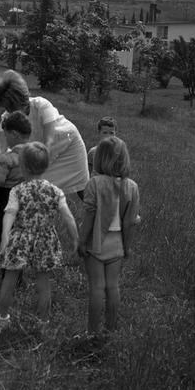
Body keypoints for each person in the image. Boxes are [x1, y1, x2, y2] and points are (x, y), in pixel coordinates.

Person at [0, 142, 78, 329]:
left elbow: (9, 213)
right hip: (45, 240)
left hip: (20, 238)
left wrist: (4, 236)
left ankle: (2, 318)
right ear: (47, 166)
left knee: (9, 280)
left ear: (23, 166)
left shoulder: (17, 190)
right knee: (43, 284)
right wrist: (75, 239)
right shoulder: (55, 191)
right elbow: (68, 216)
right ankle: (43, 322)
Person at [0, 70, 88, 197]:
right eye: (5, 108)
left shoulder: (41, 105)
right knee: (35, 191)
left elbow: (49, 141)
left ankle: (98, 213)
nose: (8, 111)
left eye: (10, 107)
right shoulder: (7, 118)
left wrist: (31, 167)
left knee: (82, 188)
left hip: (68, 145)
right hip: (41, 152)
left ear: (20, 100)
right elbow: (0, 148)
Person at [78, 136, 140, 335]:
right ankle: (110, 329)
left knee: (97, 287)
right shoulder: (132, 187)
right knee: (113, 286)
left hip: (96, 242)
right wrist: (127, 246)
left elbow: (89, 215)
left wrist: (81, 240)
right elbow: (130, 221)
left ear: (99, 159)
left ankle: (92, 331)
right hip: (117, 243)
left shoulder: (94, 183)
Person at [0, 111, 31, 255]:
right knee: (20, 234)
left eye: (5, 134)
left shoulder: (8, 158)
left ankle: (5, 267)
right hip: (25, 198)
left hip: (4, 198)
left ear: (14, 134)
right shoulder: (34, 155)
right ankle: (18, 269)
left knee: (2, 232)